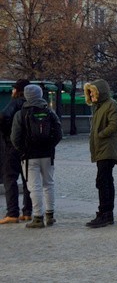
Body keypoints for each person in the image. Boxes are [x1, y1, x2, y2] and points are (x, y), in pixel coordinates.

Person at [10, 84, 62, 228]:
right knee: (49, 184)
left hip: (29, 156)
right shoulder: (49, 112)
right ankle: (50, 215)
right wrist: (50, 146)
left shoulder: (21, 114)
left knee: (34, 187)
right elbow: (58, 133)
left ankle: (38, 217)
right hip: (47, 155)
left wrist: (22, 150)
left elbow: (15, 137)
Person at [85, 79, 117, 228]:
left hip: (107, 149)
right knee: (103, 181)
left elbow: (115, 124)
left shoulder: (111, 104)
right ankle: (105, 212)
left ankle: (106, 213)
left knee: (103, 181)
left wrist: (101, 134)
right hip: (101, 148)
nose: (92, 96)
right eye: (90, 94)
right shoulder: (98, 107)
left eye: (93, 93)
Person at [0, 78, 33, 224]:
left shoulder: (15, 103)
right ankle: (27, 212)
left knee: (9, 178)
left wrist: (7, 133)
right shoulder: (33, 104)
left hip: (13, 146)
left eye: (14, 89)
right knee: (28, 180)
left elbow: (4, 116)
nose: (12, 91)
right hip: (30, 148)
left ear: (18, 91)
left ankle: (12, 212)